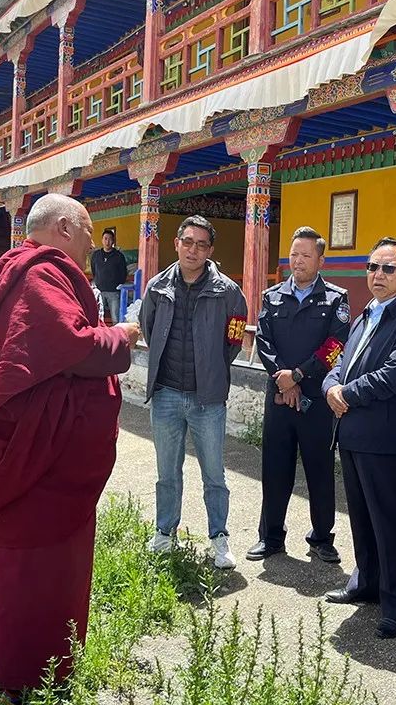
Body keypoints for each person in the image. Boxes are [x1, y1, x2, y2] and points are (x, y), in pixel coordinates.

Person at [0, 194, 139, 694]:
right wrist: (120, 336)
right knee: (38, 562)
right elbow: (73, 345)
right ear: (65, 227)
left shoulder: (10, 269)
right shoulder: (40, 274)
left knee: (10, 553)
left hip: (18, 443)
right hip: (37, 457)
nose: (92, 246)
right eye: (89, 234)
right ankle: (30, 672)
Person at [322, 237, 396, 639]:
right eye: (372, 267)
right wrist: (331, 386)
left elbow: (395, 376)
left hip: (386, 438)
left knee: (392, 523)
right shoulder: (365, 314)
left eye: (389, 268)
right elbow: (341, 364)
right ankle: (367, 584)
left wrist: (345, 394)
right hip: (351, 432)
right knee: (363, 518)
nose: (378, 275)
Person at [140, 215, 248, 569]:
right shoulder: (157, 287)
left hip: (208, 399)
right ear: (176, 243)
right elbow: (148, 326)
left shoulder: (228, 292)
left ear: (210, 250)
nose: (193, 250)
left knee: (214, 475)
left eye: (202, 244)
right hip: (167, 393)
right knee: (167, 473)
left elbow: (233, 340)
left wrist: (213, 368)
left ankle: (219, 536)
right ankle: (165, 532)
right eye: (188, 242)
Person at [248, 227, 350, 564]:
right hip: (279, 397)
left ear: (321, 260)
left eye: (306, 255)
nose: (298, 261)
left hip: (317, 401)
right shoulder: (272, 296)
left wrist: (299, 375)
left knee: (319, 471)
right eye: (294, 254)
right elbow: (263, 342)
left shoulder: (336, 299)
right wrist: (284, 380)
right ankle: (271, 537)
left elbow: (336, 347)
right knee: (275, 469)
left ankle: (322, 538)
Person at [90, 227, 128, 323]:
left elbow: (123, 273)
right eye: (105, 239)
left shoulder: (119, 256)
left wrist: (117, 284)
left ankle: (117, 338)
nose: (107, 241)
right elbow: (94, 269)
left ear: (113, 241)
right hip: (99, 291)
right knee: (97, 318)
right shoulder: (96, 255)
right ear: (102, 240)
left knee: (116, 318)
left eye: (110, 239)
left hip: (113, 292)